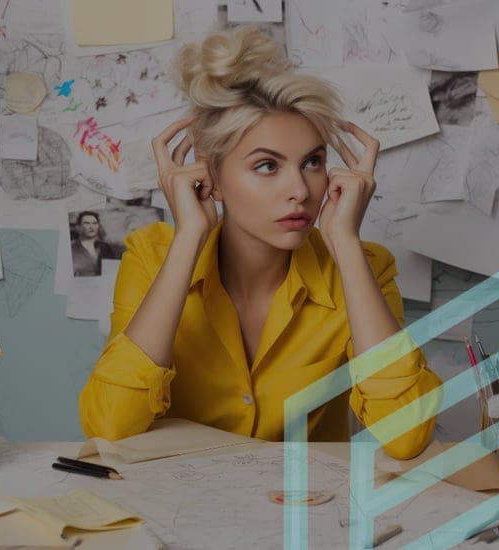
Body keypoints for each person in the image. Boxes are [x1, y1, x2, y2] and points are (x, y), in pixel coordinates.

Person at [79, 25, 442, 459]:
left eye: (312, 162)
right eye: (267, 165)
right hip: (180, 507)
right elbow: (110, 428)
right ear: (210, 175)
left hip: (307, 511)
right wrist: (189, 237)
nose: (301, 190)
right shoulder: (151, 257)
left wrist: (344, 243)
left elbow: (406, 437)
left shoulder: (364, 267)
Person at [71, 211, 117, 276]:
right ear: (78, 227)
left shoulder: (105, 247)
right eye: (86, 223)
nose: (91, 227)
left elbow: (114, 271)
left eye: (94, 223)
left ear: (98, 226)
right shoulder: (71, 248)